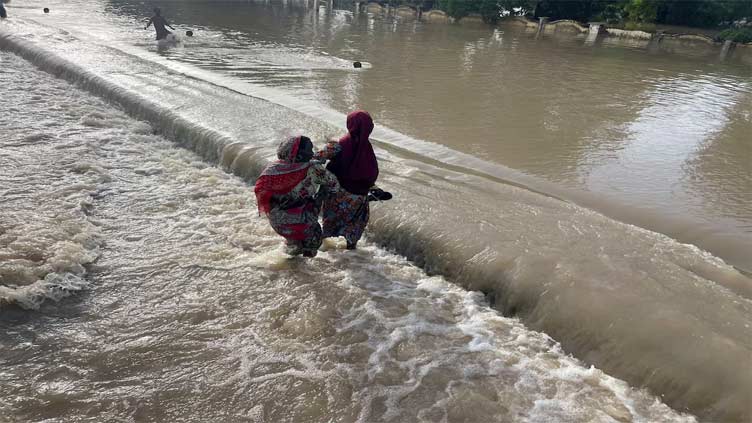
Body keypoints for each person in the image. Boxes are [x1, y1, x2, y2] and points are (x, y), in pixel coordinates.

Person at [254, 136, 339, 258]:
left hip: (278, 222)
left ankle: (291, 257)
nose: (311, 152)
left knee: (295, 244)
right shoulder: (313, 169)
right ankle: (306, 266)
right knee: (314, 238)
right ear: (298, 155)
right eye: (309, 150)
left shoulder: (272, 170)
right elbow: (334, 185)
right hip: (302, 220)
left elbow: (260, 190)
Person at [315, 110, 379, 250]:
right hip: (359, 197)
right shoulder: (366, 148)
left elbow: (316, 159)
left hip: (336, 194)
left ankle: (321, 250)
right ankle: (352, 254)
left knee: (329, 223)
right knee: (355, 225)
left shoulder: (338, 145)